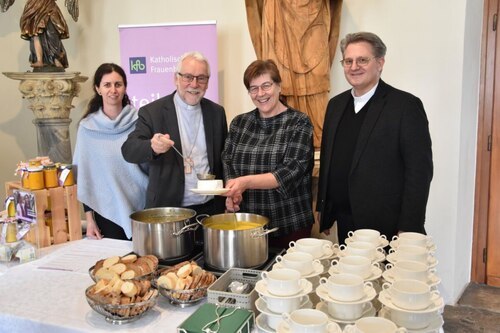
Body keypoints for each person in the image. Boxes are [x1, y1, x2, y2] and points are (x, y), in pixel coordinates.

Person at [316, 32, 433, 244]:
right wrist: (323, 208)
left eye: (362, 60)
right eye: (348, 61)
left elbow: (419, 172)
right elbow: (328, 159)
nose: (354, 67)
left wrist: (409, 226)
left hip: (387, 226)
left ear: (380, 63)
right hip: (345, 221)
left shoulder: (405, 106)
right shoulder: (335, 105)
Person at [122, 51, 228, 220]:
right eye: (188, 77)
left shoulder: (216, 112)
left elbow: (224, 158)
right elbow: (128, 150)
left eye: (201, 78)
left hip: (210, 210)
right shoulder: (153, 112)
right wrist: (152, 146)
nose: (194, 84)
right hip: (169, 211)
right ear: (176, 79)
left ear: (207, 82)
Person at [222, 59, 315, 249]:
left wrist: (245, 182)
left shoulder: (299, 122)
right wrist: (233, 192)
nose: (260, 94)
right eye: (253, 88)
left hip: (290, 224)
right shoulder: (240, 123)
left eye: (266, 86)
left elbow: (289, 171)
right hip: (248, 227)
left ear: (279, 86)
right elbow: (228, 161)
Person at [245, 0, 343, 148]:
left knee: (316, 80)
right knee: (279, 82)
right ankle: (280, 142)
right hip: (277, 16)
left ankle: (317, 143)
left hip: (314, 14)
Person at [73, 63, 148, 240]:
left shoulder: (141, 122)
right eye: (107, 85)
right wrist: (90, 220)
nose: (113, 90)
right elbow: (85, 177)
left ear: (125, 87)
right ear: (98, 89)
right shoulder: (87, 128)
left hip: (142, 208)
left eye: (118, 84)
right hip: (106, 212)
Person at [0, 0, 79, 71]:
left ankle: (56, 58)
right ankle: (39, 60)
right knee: (35, 33)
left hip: (49, 6)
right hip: (34, 7)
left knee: (53, 32)